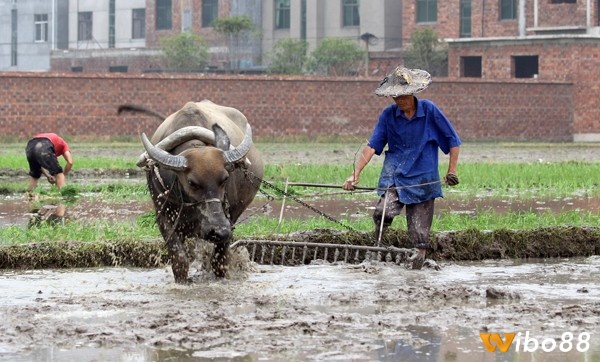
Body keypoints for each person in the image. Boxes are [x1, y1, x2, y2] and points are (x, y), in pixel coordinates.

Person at [342, 66, 461, 270]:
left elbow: (453, 141)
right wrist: (355, 174)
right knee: (382, 212)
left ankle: (416, 268)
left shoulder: (430, 111)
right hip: (395, 176)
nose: (399, 100)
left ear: (413, 93)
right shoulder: (388, 116)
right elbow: (372, 146)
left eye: (403, 96)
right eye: (395, 97)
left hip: (423, 178)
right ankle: (378, 249)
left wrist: (451, 171)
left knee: (419, 235)